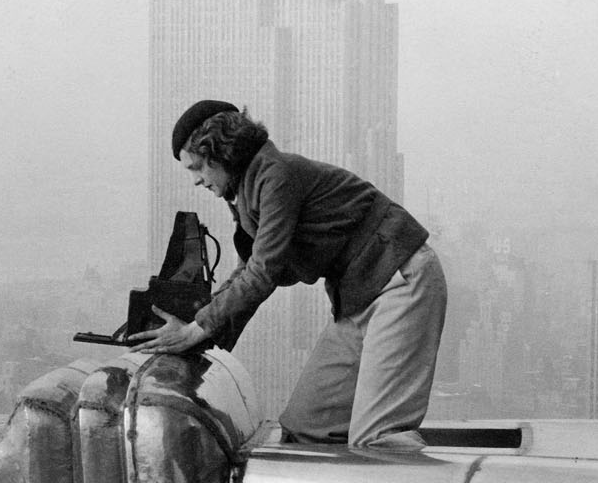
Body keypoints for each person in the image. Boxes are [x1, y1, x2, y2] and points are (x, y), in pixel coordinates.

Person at [130, 99, 448, 446]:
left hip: (399, 278)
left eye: (196, 167)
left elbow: (263, 271)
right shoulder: (247, 189)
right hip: (359, 294)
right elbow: (248, 270)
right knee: (306, 427)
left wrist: (198, 328)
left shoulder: (274, 176)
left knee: (379, 439)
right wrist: (199, 335)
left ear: (218, 152)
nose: (195, 181)